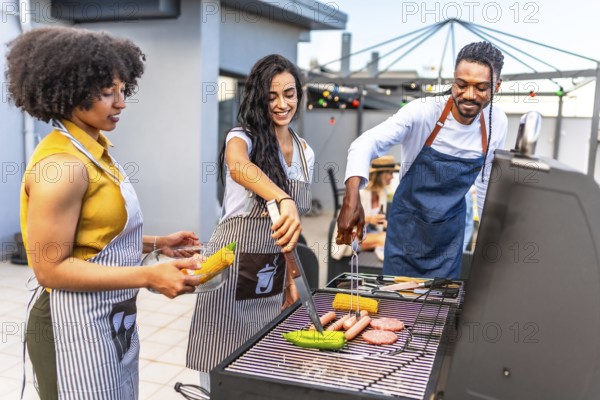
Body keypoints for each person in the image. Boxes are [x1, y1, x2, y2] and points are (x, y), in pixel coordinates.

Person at [7, 27, 202, 399]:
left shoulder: (95, 151)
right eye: (106, 93)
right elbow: (50, 267)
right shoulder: (63, 166)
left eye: (123, 90)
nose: (120, 102)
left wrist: (158, 244)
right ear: (69, 91)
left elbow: (93, 238)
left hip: (109, 319)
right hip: (69, 324)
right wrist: (149, 275)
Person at [186, 54, 314, 390]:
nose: (282, 103)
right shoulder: (242, 136)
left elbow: (286, 232)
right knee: (218, 361)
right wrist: (281, 197)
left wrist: (291, 277)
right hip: (230, 262)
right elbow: (238, 166)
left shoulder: (304, 153)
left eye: (289, 93)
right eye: (271, 96)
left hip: (269, 273)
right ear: (258, 97)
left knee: (260, 362)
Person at [337, 41, 508, 279]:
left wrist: (489, 239)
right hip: (406, 231)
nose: (469, 95)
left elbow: (486, 181)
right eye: (461, 85)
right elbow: (365, 144)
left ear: (496, 86)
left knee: (438, 310)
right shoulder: (423, 112)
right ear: (453, 80)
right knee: (397, 308)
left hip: (448, 238)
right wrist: (351, 199)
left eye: (481, 87)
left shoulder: (496, 122)